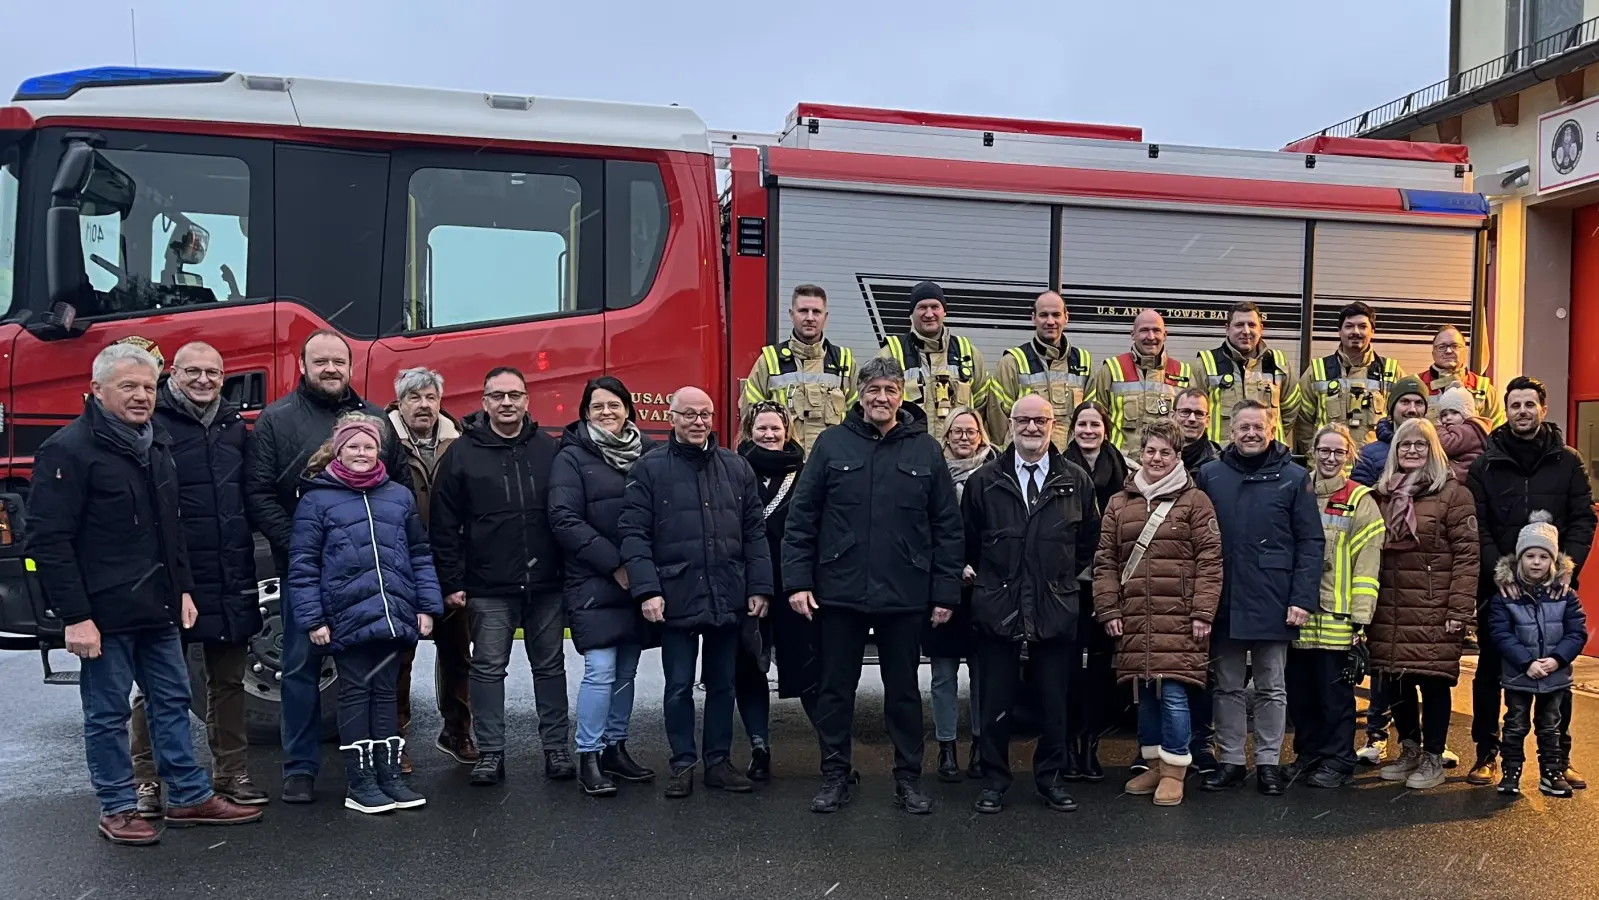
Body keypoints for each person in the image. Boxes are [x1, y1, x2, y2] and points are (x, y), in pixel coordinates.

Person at [29, 342, 262, 845]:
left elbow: (170, 528)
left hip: (159, 606)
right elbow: (48, 541)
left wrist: (183, 589)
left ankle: (188, 796)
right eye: (127, 387)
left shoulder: (154, 445)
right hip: (103, 613)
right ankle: (118, 807)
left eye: (147, 387)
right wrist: (76, 616)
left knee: (172, 700)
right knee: (107, 713)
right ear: (97, 390)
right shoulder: (68, 451)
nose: (141, 396)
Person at [784, 356, 964, 815]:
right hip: (839, 592)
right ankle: (835, 776)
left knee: (903, 692)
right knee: (835, 689)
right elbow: (801, 518)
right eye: (873, 390)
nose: (881, 398)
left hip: (904, 593)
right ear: (859, 395)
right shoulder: (831, 445)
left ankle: (908, 779)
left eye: (890, 390)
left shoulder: (925, 450)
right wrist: (798, 582)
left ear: (901, 396)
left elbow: (947, 527)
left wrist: (944, 593)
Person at [244, 330, 410, 804]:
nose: (331, 369)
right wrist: (304, 546)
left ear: (351, 366)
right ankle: (300, 767)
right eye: (321, 362)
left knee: (371, 675)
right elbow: (258, 493)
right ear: (303, 366)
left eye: (339, 361)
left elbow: (397, 488)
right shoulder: (275, 420)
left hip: (366, 579)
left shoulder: (377, 420)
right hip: (306, 576)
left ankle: (373, 766)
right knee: (301, 669)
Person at [130, 343, 265, 817]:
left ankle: (231, 773)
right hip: (172, 575)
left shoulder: (234, 426)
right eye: (193, 371)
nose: (204, 380)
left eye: (213, 372)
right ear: (173, 373)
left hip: (229, 571)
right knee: (157, 685)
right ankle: (146, 781)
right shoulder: (152, 423)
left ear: (224, 378)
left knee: (228, 680)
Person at [619, 386, 773, 798]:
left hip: (728, 593)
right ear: (671, 418)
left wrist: (760, 587)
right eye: (689, 414)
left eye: (705, 414)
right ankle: (683, 764)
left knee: (723, 685)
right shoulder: (648, 469)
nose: (698, 422)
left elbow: (754, 532)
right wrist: (647, 591)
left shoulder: (736, 467)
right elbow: (633, 535)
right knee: (678, 686)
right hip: (676, 594)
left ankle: (718, 763)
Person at [288, 414, 443, 814]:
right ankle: (360, 784)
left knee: (386, 694)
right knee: (356, 693)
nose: (362, 453)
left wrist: (427, 606)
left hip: (393, 615)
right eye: (353, 446)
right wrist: (313, 619)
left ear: (380, 451)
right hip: (347, 616)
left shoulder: (398, 496)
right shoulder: (317, 499)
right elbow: (303, 565)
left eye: (369, 446)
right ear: (338, 451)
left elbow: (419, 554)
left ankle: (389, 777)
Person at [430, 367, 573, 787]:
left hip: (546, 582)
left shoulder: (550, 449)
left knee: (550, 667)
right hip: (488, 585)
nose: (506, 402)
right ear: (484, 402)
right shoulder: (461, 453)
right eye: (497, 396)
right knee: (488, 669)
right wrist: (453, 581)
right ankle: (491, 752)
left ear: (527, 400)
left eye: (514, 395)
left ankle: (556, 748)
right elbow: (443, 524)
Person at [963, 395, 1100, 814]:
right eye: (1023, 420)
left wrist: (1055, 578)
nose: (1032, 428)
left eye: (1040, 420)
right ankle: (994, 781)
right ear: (1010, 424)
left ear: (1053, 424)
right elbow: (969, 540)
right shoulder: (984, 481)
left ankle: (1051, 779)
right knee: (996, 702)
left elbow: (1087, 541)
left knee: (1054, 701)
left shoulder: (1075, 480)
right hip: (999, 605)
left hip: (1054, 604)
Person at [1466, 375, 1595, 790]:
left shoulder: (1568, 461)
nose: (1522, 411)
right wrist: (1499, 571)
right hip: (1499, 590)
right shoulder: (1485, 465)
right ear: (1506, 411)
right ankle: (1487, 754)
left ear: (1543, 408)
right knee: (1490, 670)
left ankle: (1560, 758)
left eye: (1529, 404)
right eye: (1515, 405)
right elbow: (1478, 526)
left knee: (1558, 672)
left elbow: (1583, 518)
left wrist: (1568, 566)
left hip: (1554, 589)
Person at [1092, 420, 1223, 807]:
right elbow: (1105, 562)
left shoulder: (1195, 502)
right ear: (1141, 453)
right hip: (1134, 614)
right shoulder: (1119, 503)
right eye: (1151, 450)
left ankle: (1175, 770)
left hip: (1179, 616)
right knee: (1145, 693)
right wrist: (1108, 608)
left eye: (1166, 452)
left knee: (1174, 693)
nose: (1157, 458)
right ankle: (1153, 764)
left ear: (1178, 457)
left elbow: (1210, 561)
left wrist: (1202, 612)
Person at [1196, 400, 1323, 797]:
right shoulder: (1210, 475)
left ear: (1272, 431)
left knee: (1272, 687)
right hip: (1225, 597)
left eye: (1258, 427)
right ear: (1231, 432)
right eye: (1243, 427)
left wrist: (1302, 598)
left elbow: (1311, 541)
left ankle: (1269, 763)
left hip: (1275, 598)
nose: (1251, 433)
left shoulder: (1295, 477)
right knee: (1227, 686)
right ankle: (1231, 761)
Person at [547, 377, 659, 797]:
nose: (607, 412)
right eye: (598, 407)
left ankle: (616, 747)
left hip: (639, 576)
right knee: (600, 670)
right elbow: (563, 518)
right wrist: (615, 564)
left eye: (614, 405)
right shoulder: (571, 456)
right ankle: (589, 754)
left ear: (628, 409)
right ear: (585, 413)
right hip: (593, 578)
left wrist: (640, 568)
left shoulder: (647, 451)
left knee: (628, 669)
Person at [1370, 418, 1478, 791]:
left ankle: (1433, 755)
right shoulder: (1381, 494)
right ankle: (1409, 749)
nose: (1412, 450)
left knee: (1433, 682)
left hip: (1435, 606)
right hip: (1390, 605)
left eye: (1420, 444)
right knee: (1396, 680)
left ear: (1433, 451)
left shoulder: (1453, 494)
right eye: (1405, 444)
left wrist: (1459, 610)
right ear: (1395, 451)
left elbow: (1468, 557)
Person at [385, 367, 475, 772]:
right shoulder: (381, 439)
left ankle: (457, 731)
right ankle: (395, 739)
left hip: (452, 564)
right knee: (398, 660)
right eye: (414, 397)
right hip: (399, 566)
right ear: (399, 402)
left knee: (458, 654)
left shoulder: (462, 442)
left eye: (431, 397)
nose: (424, 405)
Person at [1287, 424, 1383, 789]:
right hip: (1298, 616)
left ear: (1349, 456)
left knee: (1335, 698)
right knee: (1301, 696)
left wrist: (1361, 619)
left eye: (1338, 452)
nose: (1330, 458)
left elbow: (1367, 565)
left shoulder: (1360, 500)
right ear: (1313, 452)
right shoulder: (1297, 490)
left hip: (1337, 618)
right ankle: (1308, 756)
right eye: (1324, 451)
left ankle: (1339, 760)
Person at [1488, 513, 1589, 797]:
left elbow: (1576, 632)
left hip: (1554, 675)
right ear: (1519, 558)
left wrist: (1557, 659)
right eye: (1530, 556)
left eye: (1543, 557)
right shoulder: (1505, 596)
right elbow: (1501, 634)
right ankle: (1511, 771)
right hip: (1519, 674)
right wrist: (1526, 662)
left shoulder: (1566, 595)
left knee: (1551, 727)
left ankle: (1551, 772)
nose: (1536, 562)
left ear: (1553, 561)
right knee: (1515, 724)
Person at [737, 401, 812, 780]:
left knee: (809, 669)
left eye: (775, 428)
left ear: (787, 432)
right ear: (749, 431)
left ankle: (833, 754)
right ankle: (759, 748)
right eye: (761, 428)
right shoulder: (733, 470)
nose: (769, 435)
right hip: (748, 586)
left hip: (793, 585)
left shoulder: (806, 473)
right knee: (749, 669)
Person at [929, 406, 994, 782]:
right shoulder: (933, 472)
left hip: (986, 585)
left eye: (971, 431)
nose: (964, 437)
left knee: (984, 674)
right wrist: (953, 567)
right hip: (943, 585)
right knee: (943, 675)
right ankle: (946, 748)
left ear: (981, 435)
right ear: (947, 435)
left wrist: (984, 568)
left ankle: (981, 746)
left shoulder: (996, 471)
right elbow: (923, 527)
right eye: (957, 431)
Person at [1063, 401, 1126, 779]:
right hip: (1069, 581)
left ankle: (1091, 743)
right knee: (1068, 668)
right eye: (1082, 424)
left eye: (1095, 425)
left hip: (1109, 580)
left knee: (1102, 669)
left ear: (1106, 430)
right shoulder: (1057, 466)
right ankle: (1068, 743)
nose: (1088, 431)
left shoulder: (1123, 471)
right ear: (1072, 429)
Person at [742, 284, 857, 454]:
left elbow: (859, 417)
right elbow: (750, 415)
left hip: (833, 462)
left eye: (816, 312)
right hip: (784, 461)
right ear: (791, 314)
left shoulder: (844, 361)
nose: (810, 318)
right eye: (803, 311)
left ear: (825, 317)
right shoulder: (769, 360)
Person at [1170, 386, 1220, 775]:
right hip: (1164, 579)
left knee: (1204, 666)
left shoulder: (1218, 466)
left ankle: (1201, 742)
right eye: (1184, 412)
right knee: (1161, 667)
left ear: (1208, 418)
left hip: (1201, 577)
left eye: (1198, 413)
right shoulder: (1155, 457)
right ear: (1173, 414)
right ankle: (1161, 743)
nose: (1191, 419)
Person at [877, 281, 992, 443]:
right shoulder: (890, 354)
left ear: (944, 311)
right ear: (911, 313)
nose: (929, 314)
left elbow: (983, 406)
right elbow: (876, 407)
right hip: (909, 451)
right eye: (922, 307)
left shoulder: (968, 353)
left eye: (935, 307)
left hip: (957, 453)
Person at [1291, 301, 1405, 453]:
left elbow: (1406, 417)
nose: (1355, 332)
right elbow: (1302, 420)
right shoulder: (1317, 371)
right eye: (1349, 326)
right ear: (1339, 331)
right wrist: (1315, 454)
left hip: (1374, 465)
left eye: (1362, 326)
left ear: (1372, 331)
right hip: (1329, 463)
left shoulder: (1391, 371)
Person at [987, 291, 1093, 450]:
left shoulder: (1083, 362)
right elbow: (998, 421)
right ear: (1033, 318)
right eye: (1043, 315)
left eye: (1056, 315)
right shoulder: (1012, 362)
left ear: (1066, 317)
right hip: (1025, 458)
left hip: (1070, 459)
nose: (1050, 321)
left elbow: (1091, 416)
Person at [1087, 310, 1194, 459]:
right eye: (1144, 330)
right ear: (1133, 335)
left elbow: (1192, 423)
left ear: (1165, 335)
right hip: (1120, 462)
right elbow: (1097, 419)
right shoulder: (1112, 369)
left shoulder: (1183, 372)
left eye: (1156, 330)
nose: (1151, 337)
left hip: (1164, 463)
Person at [1194, 301, 1299, 445]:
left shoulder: (1279, 364)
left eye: (1252, 325)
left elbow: (1291, 409)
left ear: (1261, 328)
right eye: (1239, 325)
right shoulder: (1205, 364)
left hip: (1270, 454)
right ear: (1227, 329)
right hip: (1221, 454)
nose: (1246, 331)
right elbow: (1194, 414)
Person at [1420, 325, 1504, 429]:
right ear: (1433, 354)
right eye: (1441, 347)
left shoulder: (1484, 389)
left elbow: (1498, 430)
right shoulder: (1418, 384)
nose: (1448, 351)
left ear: (1465, 351)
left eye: (1455, 346)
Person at [1350, 375, 1427, 487]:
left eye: (1419, 403)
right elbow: (1358, 495)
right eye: (1405, 402)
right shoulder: (1367, 456)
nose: (1412, 409)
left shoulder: (1437, 450)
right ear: (1391, 409)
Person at [1435, 386, 1492, 483]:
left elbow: (1447, 445)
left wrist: (1438, 428)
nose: (1448, 418)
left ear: (1466, 414)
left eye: (1454, 413)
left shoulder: (1468, 429)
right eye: (1444, 414)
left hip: (1465, 478)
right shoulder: (1464, 429)